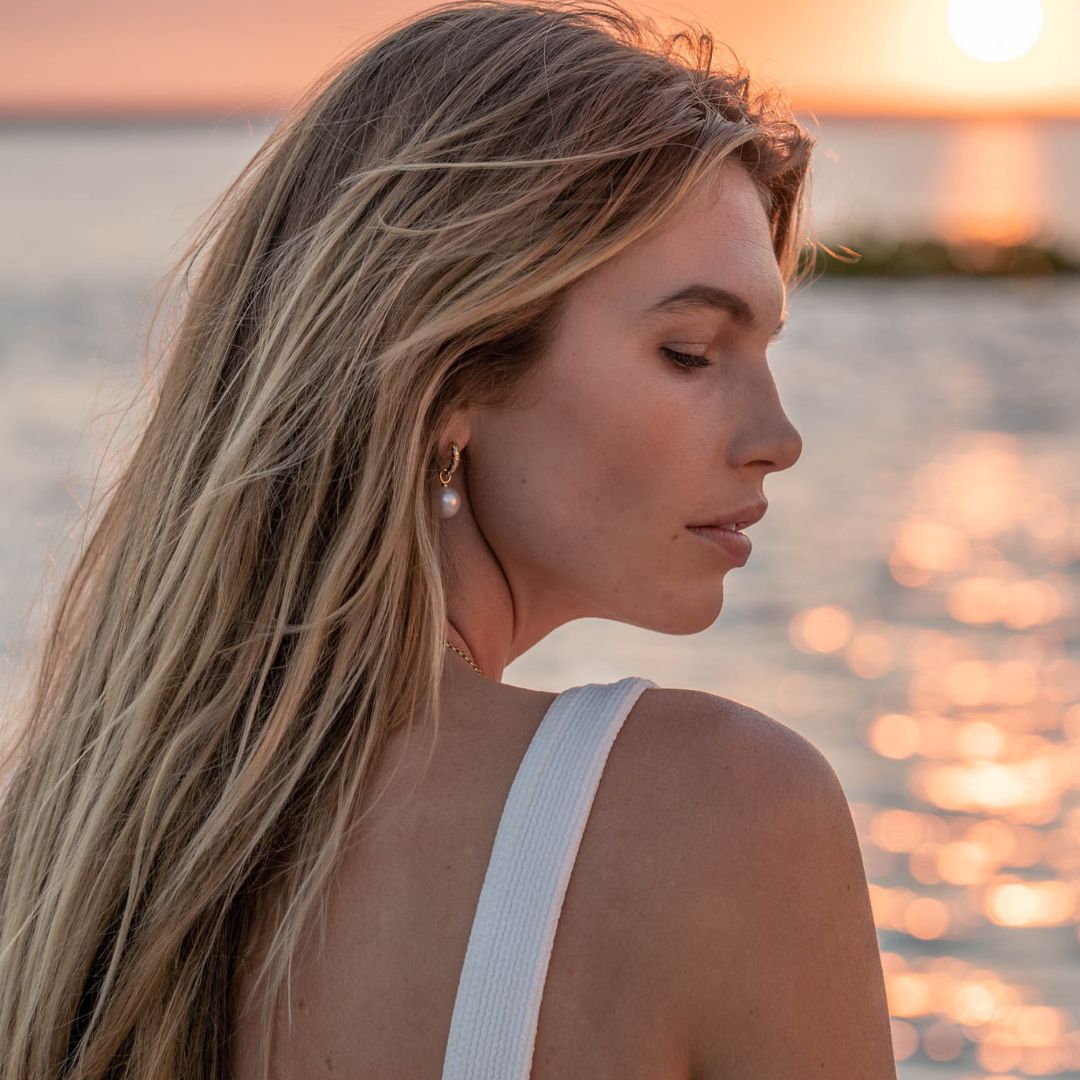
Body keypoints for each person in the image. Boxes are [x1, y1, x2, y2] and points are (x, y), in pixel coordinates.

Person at [0, 1, 897, 1077]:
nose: (778, 439)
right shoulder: (718, 812)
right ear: (450, 378)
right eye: (692, 352)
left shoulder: (59, 874)